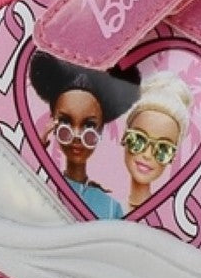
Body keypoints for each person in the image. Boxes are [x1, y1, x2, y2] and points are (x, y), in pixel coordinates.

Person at [29, 51, 139, 220]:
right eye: (65, 122)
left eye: (89, 125)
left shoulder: (110, 207)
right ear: (53, 124)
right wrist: (36, 150)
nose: (77, 136)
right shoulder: (41, 184)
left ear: (100, 129)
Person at [120, 72, 192, 212]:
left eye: (163, 149)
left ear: (172, 156)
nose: (147, 155)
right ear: (125, 137)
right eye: (138, 139)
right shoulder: (107, 206)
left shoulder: (167, 216)